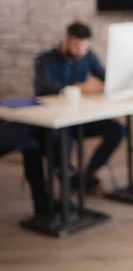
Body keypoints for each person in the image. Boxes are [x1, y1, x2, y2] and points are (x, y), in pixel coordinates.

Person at [31, 21, 123, 195]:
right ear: (66, 41)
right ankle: (69, 184)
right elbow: (42, 89)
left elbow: (107, 78)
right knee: (61, 139)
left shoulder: (87, 57)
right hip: (56, 121)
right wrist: (79, 87)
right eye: (76, 46)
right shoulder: (45, 60)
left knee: (117, 130)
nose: (80, 51)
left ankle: (88, 175)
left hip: (81, 118)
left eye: (84, 46)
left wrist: (107, 84)